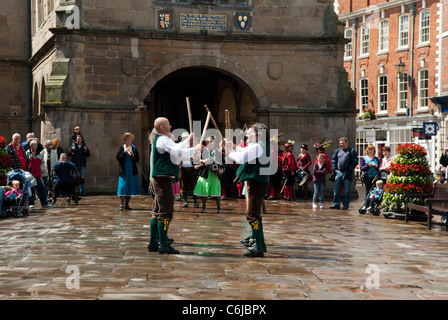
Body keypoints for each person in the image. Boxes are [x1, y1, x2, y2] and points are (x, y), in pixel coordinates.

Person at [147, 117, 202, 254]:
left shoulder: (161, 139)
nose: (171, 126)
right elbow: (177, 152)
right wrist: (193, 149)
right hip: (162, 180)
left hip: (159, 179)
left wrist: (187, 142)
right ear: (162, 127)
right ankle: (163, 245)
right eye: (168, 124)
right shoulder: (162, 139)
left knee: (156, 212)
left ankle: (153, 243)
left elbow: (176, 147)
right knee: (165, 212)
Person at [224, 123, 271, 258]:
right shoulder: (260, 144)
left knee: (252, 215)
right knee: (255, 215)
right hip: (258, 181)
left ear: (258, 135)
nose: (247, 134)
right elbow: (244, 152)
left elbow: (241, 158)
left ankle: (258, 248)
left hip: (256, 182)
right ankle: (260, 244)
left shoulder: (257, 146)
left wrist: (228, 152)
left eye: (250, 133)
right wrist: (232, 147)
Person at [193, 136, 225, 213]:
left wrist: (222, 170)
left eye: (212, 141)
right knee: (204, 192)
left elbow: (223, 163)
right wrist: (200, 163)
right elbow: (196, 161)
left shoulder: (217, 152)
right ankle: (203, 208)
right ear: (206, 143)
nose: (210, 143)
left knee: (217, 192)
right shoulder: (202, 151)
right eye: (208, 141)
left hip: (214, 174)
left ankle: (218, 209)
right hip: (205, 173)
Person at [330, 137, 358, 210]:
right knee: (336, 189)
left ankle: (345, 205)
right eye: (340, 143)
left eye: (342, 143)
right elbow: (333, 160)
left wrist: (349, 169)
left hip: (347, 173)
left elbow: (355, 161)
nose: (341, 145)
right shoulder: (338, 151)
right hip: (339, 172)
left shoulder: (351, 151)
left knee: (346, 190)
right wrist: (334, 169)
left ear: (346, 143)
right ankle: (336, 204)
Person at [116, 132, 141, 211]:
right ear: (125, 140)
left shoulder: (134, 148)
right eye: (127, 140)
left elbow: (137, 159)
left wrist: (133, 154)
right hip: (124, 171)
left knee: (130, 187)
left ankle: (127, 204)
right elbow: (118, 158)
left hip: (131, 171)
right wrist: (124, 153)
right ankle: (121, 204)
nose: (128, 141)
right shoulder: (121, 148)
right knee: (123, 187)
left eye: (129, 140)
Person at [26, 139, 52, 209]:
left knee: (42, 189)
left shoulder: (39, 154)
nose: (34, 147)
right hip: (30, 175)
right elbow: (26, 163)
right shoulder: (27, 153)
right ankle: (31, 203)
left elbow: (42, 163)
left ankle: (44, 203)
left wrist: (42, 169)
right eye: (33, 145)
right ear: (30, 146)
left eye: (35, 145)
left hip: (37, 174)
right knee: (30, 190)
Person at [179, 132, 199, 208]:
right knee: (184, 186)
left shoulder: (193, 147)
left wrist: (194, 157)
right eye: (183, 138)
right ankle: (185, 201)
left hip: (192, 169)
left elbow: (197, 158)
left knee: (194, 186)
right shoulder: (181, 147)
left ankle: (195, 202)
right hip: (183, 168)